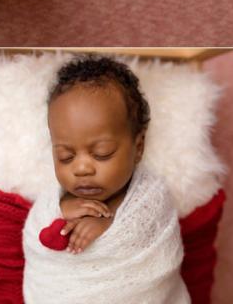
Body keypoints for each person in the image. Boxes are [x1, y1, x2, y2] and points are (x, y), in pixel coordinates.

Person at [22, 55, 190, 303]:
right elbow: (39, 238)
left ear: (139, 146)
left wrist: (108, 228)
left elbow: (153, 238)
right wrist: (63, 210)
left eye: (102, 153)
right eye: (65, 156)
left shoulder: (149, 198)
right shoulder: (55, 199)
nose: (81, 168)